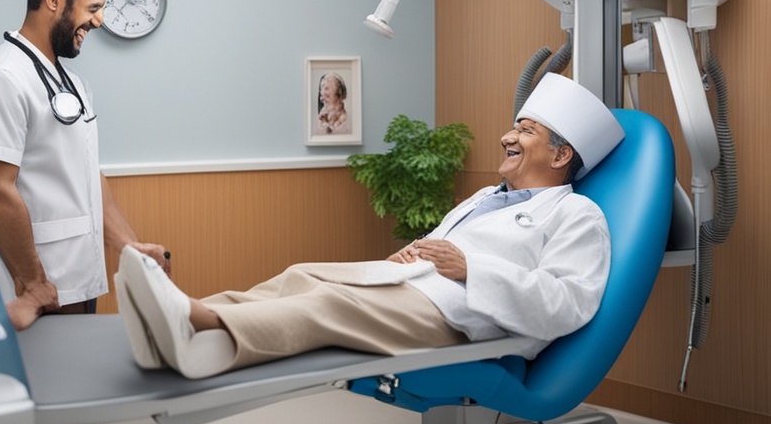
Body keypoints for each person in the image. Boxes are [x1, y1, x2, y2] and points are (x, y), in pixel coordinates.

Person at [115, 73, 625, 379]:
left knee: (329, 307)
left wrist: (470, 268)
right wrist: (415, 254)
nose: (505, 136)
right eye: (514, 125)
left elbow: (569, 304)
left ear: (560, 154)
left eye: (525, 130)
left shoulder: (577, 214)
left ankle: (197, 323)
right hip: (418, 288)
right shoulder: (488, 197)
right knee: (304, 276)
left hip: (465, 319)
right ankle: (187, 321)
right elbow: (443, 251)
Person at [0, 0, 168, 331]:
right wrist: (36, 284)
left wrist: (128, 247)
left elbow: (88, 176)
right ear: (54, 0)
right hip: (35, 287)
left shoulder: (73, 82)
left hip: (79, 277)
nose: (99, 21)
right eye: (92, 9)